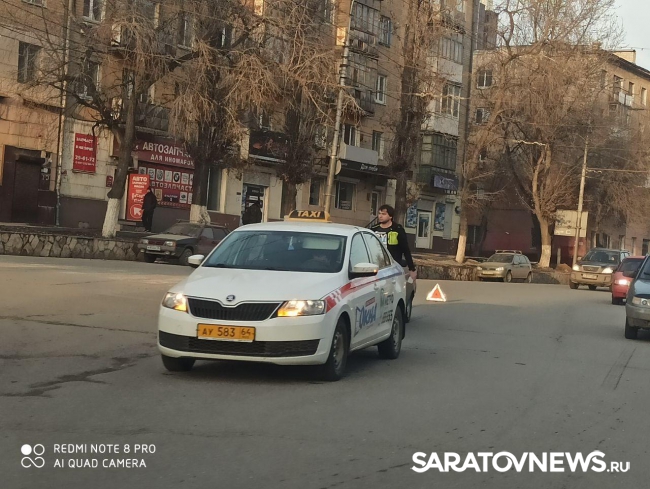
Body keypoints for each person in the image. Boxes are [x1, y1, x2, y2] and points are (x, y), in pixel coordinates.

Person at [371, 204, 417, 283]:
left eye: (383, 214)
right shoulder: (374, 229)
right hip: (376, 264)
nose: (380, 216)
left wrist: (411, 268)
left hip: (393, 266)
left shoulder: (397, 229)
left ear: (390, 216)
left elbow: (406, 250)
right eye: (379, 213)